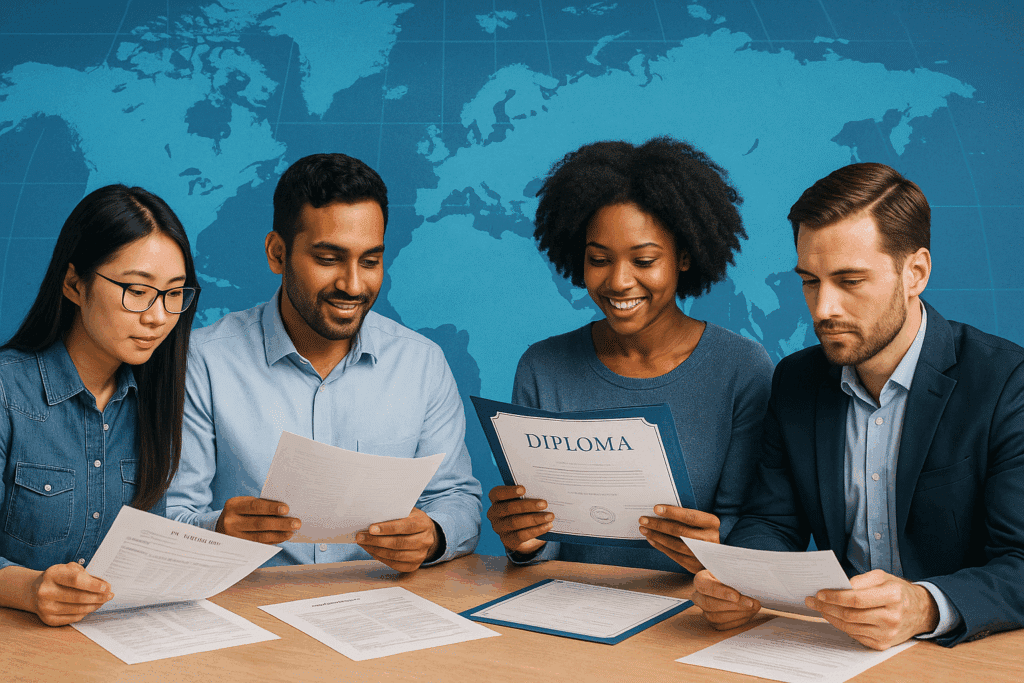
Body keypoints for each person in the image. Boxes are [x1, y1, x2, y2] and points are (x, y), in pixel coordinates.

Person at [693, 162, 1024, 649]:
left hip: (964, 655)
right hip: (836, 649)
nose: (823, 308)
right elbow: (772, 521)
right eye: (810, 280)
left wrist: (926, 605)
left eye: (849, 281)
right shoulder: (797, 381)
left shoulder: (1005, 383)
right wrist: (739, 579)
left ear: (915, 273)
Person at [166, 153, 482, 572]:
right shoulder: (203, 361)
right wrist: (219, 530)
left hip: (381, 609)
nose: (353, 285)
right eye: (329, 259)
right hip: (250, 611)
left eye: (370, 261)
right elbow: (170, 517)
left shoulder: (421, 364)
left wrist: (434, 534)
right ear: (278, 254)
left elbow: (456, 499)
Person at [487, 137, 774, 573]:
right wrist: (524, 541)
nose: (619, 281)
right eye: (599, 259)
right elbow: (545, 538)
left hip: (695, 617)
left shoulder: (742, 369)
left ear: (684, 256)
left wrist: (719, 551)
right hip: (572, 610)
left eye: (644, 260)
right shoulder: (542, 367)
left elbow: (756, 524)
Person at [0, 185, 200, 625]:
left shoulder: (156, 400)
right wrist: (30, 590)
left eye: (174, 294)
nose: (157, 316)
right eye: (137, 290)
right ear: (74, 284)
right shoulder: (7, 392)